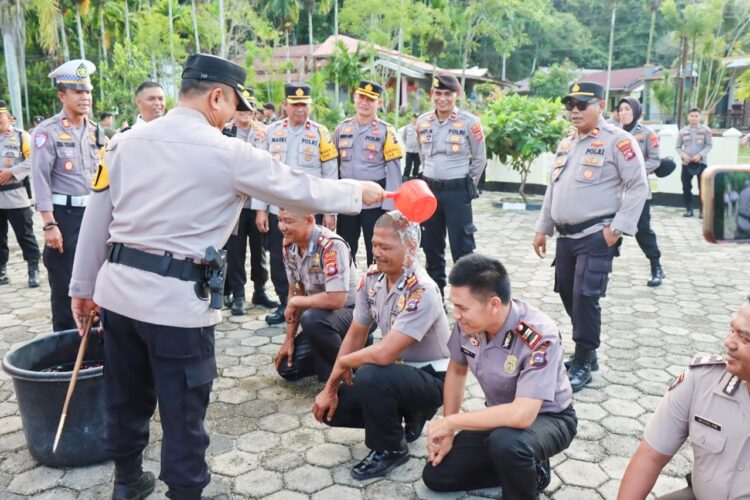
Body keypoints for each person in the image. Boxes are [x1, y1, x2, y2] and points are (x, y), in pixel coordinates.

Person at [68, 53, 385, 500]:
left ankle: (126, 481)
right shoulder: (227, 152)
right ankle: (185, 491)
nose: (232, 115)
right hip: (177, 306)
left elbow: (97, 219)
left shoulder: (122, 143)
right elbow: (299, 187)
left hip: (118, 297)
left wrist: (82, 289)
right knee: (182, 411)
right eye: (233, 104)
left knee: (125, 396)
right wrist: (360, 191)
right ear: (216, 95)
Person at [422, 254, 577, 500]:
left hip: (549, 418)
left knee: (508, 445)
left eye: (462, 307)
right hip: (500, 417)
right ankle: (520, 469)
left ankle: (526, 478)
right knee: (437, 475)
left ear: (494, 304)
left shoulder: (539, 336)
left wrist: (452, 422)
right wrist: (448, 428)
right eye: (454, 305)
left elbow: (522, 415)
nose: (456, 315)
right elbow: (457, 368)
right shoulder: (469, 324)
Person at [312, 211, 450, 480]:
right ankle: (409, 414)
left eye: (385, 247)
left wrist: (343, 363)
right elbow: (354, 334)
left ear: (410, 248)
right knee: (332, 409)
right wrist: (330, 386)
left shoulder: (423, 290)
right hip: (398, 374)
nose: (377, 252)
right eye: (375, 245)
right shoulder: (372, 279)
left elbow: (385, 353)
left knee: (370, 374)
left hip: (433, 378)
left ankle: (390, 448)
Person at [533, 82, 648, 392]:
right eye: (570, 104)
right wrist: (542, 227)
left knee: (586, 295)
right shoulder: (567, 143)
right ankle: (589, 350)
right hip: (565, 236)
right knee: (568, 292)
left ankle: (584, 357)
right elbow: (553, 189)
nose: (574, 110)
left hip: (596, 235)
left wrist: (617, 230)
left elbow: (639, 187)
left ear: (600, 105)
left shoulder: (618, 142)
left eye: (582, 105)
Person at [618, 297, 750, 500]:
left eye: (745, 339)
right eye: (732, 330)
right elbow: (650, 456)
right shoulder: (702, 379)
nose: (729, 343)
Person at [253, 83, 339, 325]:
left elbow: (330, 174)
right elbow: (261, 173)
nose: (300, 109)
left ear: (309, 106)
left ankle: (314, 305)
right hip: (276, 209)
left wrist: (330, 211)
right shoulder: (271, 132)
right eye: (295, 105)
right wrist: (260, 208)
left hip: (308, 211)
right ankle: (285, 304)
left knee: (314, 258)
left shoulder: (321, 133)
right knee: (279, 260)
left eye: (304, 105)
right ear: (285, 105)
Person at [32, 59, 103, 332]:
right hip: (65, 218)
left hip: (94, 214)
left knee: (96, 281)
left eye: (87, 91)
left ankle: (96, 344)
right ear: (62, 95)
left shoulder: (97, 131)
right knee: (65, 285)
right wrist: (49, 224)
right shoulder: (47, 132)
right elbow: (40, 180)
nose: (85, 97)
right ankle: (66, 347)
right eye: (78, 92)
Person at [416, 73, 487, 298]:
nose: (442, 98)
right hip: (430, 193)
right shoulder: (423, 122)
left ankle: (466, 299)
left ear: (457, 95)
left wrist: (468, 186)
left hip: (457, 193)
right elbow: (422, 156)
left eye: (448, 93)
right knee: (431, 247)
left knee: (462, 249)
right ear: (432, 95)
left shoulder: (469, 122)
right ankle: (436, 299)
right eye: (438, 93)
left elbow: (479, 159)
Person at [273, 208, 360, 382]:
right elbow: (296, 290)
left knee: (312, 318)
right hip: (324, 319)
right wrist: (288, 340)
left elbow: (337, 299)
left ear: (309, 220)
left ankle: (341, 374)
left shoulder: (331, 245)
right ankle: (354, 352)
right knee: (287, 369)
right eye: (279, 220)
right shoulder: (290, 246)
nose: (282, 227)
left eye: (288, 221)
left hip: (355, 315)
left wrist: (298, 301)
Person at [334, 80, 403, 266]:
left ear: (379, 103)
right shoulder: (342, 129)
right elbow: (333, 166)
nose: (364, 103)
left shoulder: (386, 131)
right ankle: (348, 289)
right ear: (354, 98)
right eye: (361, 97)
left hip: (375, 203)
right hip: (347, 201)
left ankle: (376, 290)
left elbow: (394, 171)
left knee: (378, 250)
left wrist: (391, 209)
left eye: (370, 100)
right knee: (345, 248)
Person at [222, 91, 277, 315]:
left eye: (249, 109)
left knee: (259, 251)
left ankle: (260, 291)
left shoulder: (263, 133)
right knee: (235, 252)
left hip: (256, 204)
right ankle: (237, 294)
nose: (245, 113)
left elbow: (265, 171)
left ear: (254, 112)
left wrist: (261, 207)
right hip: (232, 204)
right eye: (241, 108)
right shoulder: (224, 132)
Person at [617, 97, 665, 287]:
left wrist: (632, 171)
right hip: (614, 190)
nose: (623, 112)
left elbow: (655, 161)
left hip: (638, 191)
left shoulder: (647, 134)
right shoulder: (613, 132)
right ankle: (602, 268)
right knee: (606, 226)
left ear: (636, 111)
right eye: (620, 109)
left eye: (627, 109)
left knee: (642, 230)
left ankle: (656, 267)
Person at [0, 100, 41, 287]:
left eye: (0, 116)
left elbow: (33, 160)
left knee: (25, 235)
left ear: (8, 117)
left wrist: (12, 172)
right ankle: (1, 270)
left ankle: (33, 268)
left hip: (16, 195)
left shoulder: (21, 136)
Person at [677, 108, 712, 218]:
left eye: (696, 116)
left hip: (701, 163)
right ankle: (689, 210)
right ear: (688, 117)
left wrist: (700, 155)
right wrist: (683, 155)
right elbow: (678, 147)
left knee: (703, 188)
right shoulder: (682, 131)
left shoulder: (706, 130)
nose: (694, 118)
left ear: (699, 117)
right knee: (686, 187)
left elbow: (709, 145)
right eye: (692, 115)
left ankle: (702, 212)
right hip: (686, 164)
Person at [402, 113, 421, 179]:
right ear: (412, 118)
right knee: (408, 165)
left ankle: (415, 177)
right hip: (409, 150)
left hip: (417, 150)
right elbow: (403, 137)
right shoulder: (407, 127)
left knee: (416, 165)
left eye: (417, 118)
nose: (415, 119)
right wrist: (407, 144)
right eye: (414, 117)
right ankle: (405, 178)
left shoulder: (421, 127)